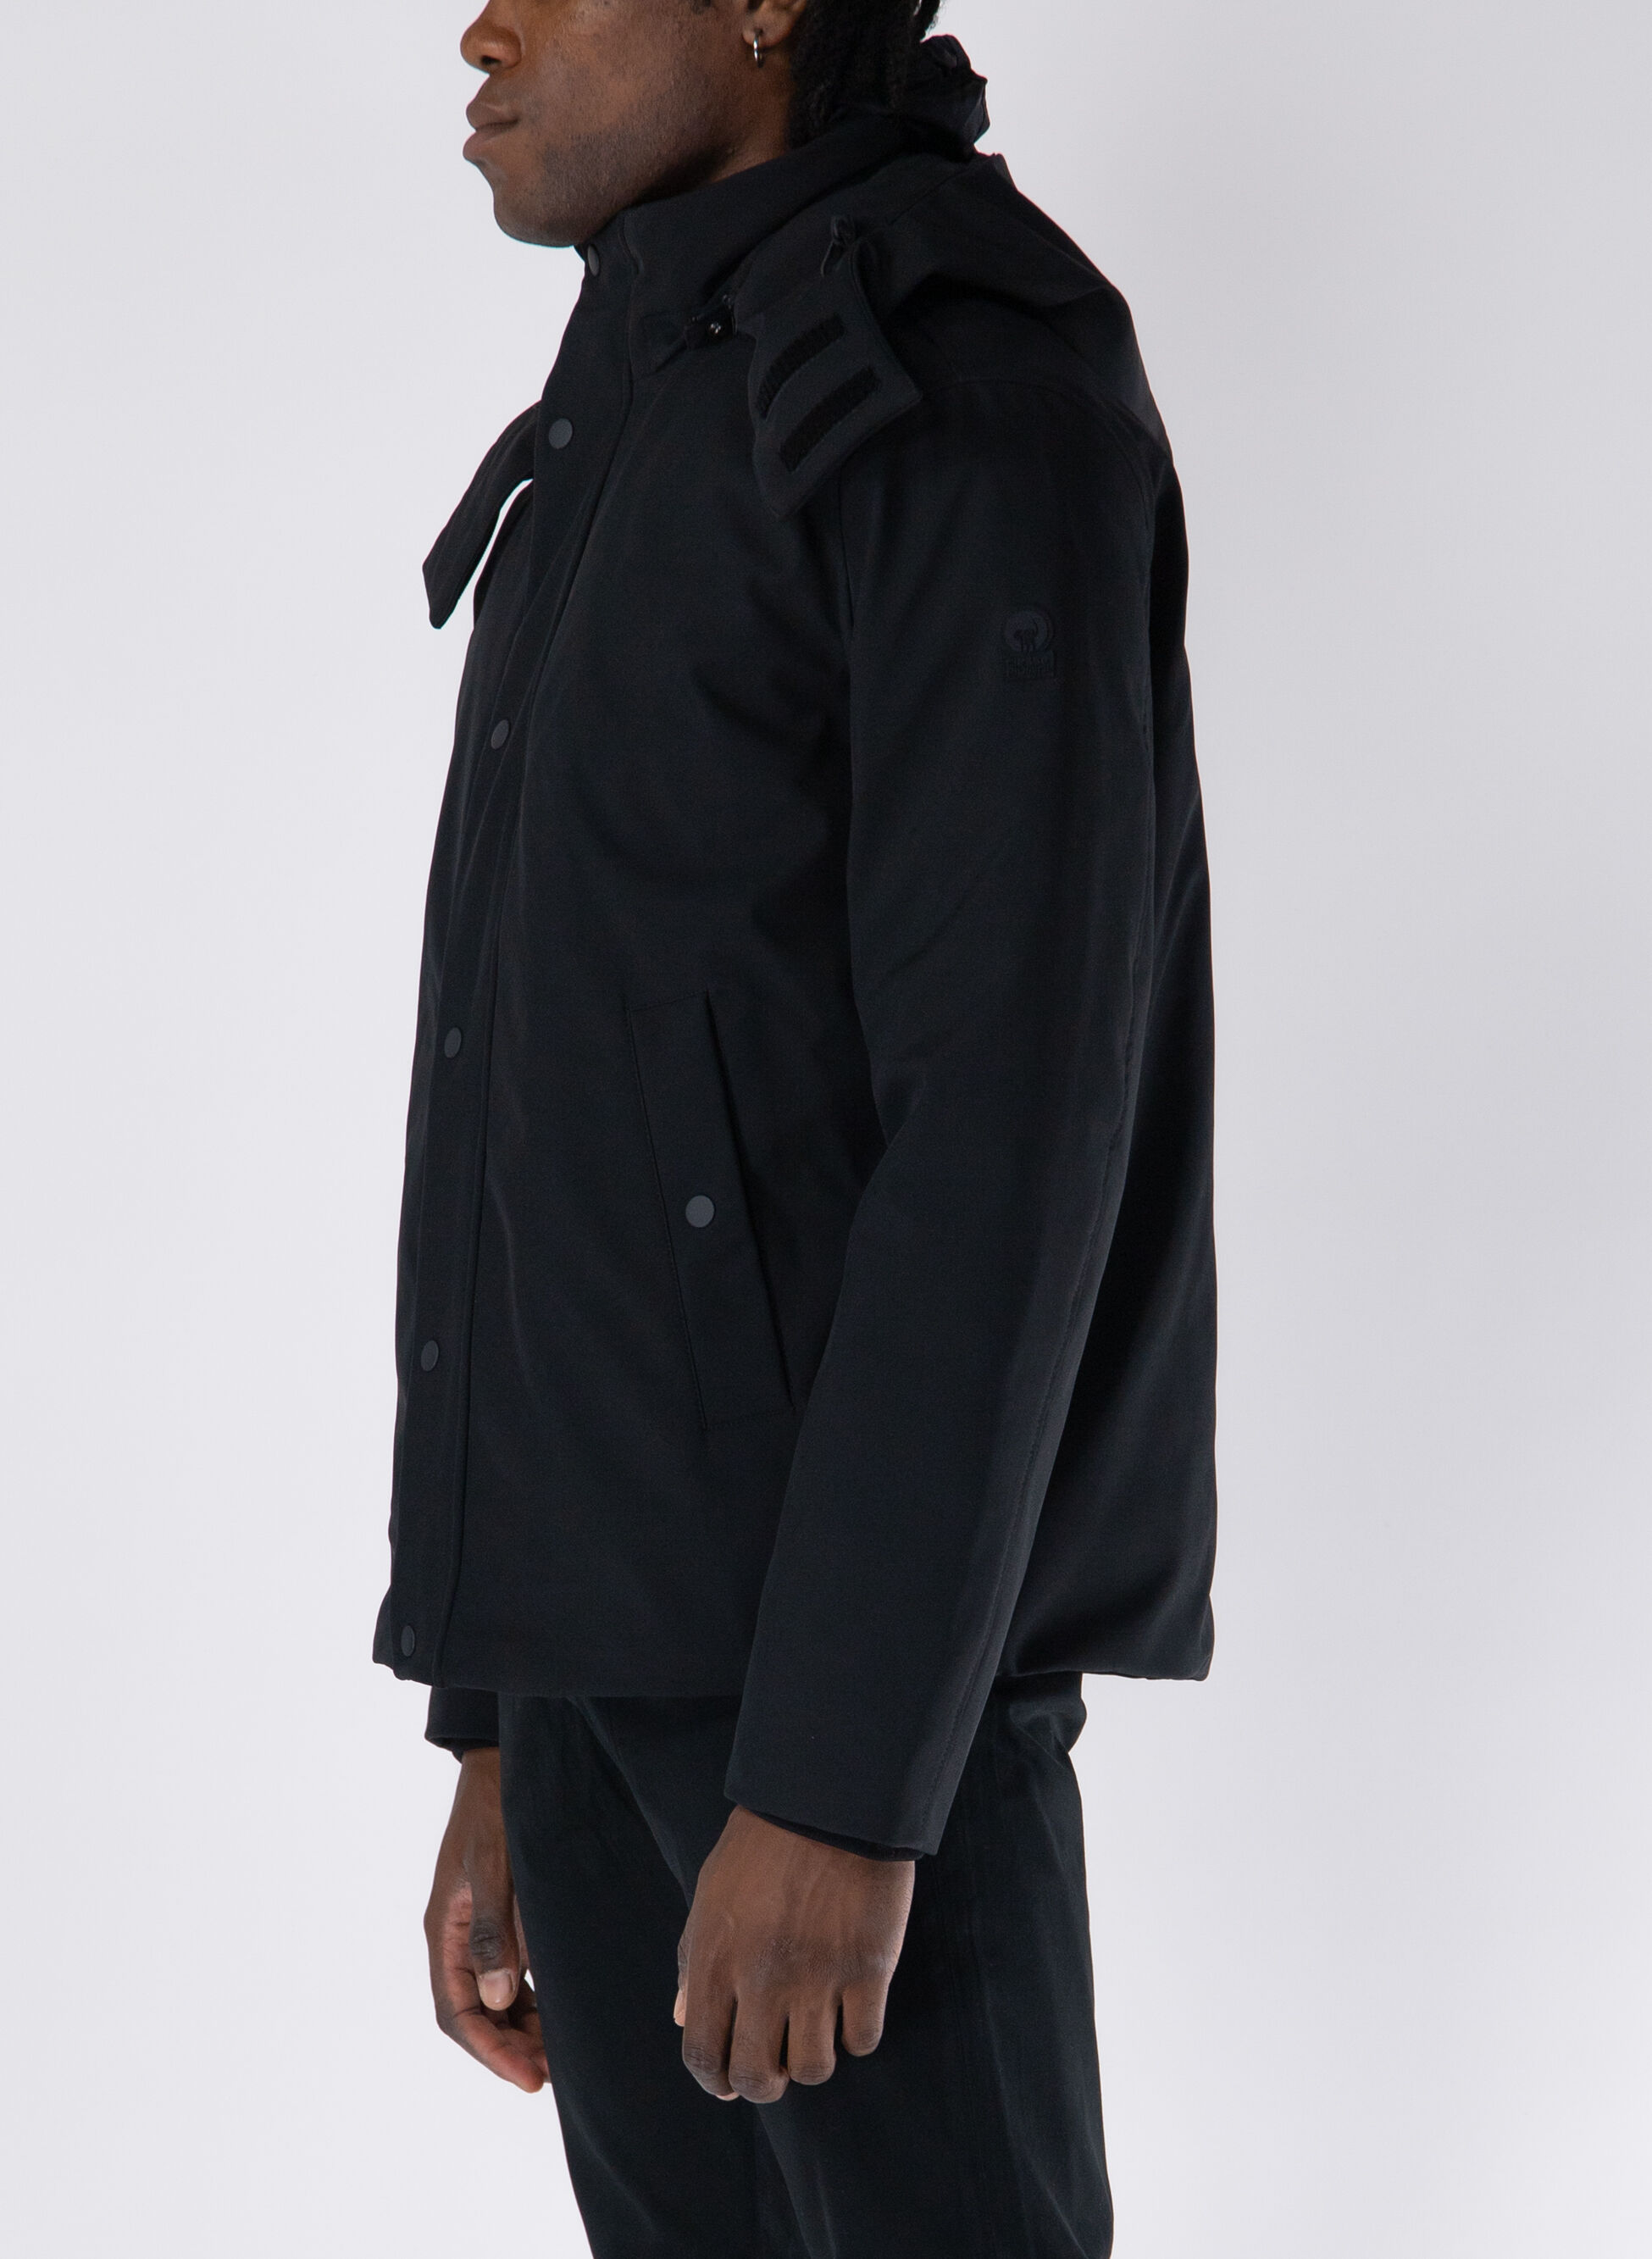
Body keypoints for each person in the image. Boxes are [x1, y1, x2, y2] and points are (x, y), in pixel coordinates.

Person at [375, 3, 1216, 2251]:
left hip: (836, 1708)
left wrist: (844, 1781)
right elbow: (537, 1087)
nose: (480, 26)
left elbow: (1011, 1126)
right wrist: (504, 1714)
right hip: (604, 1664)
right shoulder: (649, 385)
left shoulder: (960, 370)